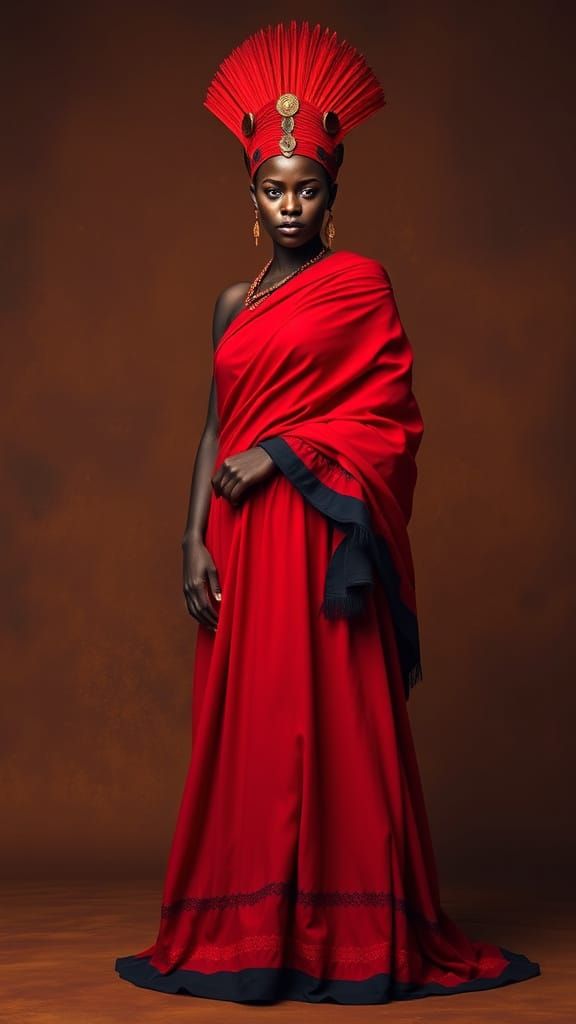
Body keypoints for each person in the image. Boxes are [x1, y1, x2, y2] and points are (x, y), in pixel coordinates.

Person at [115, 19, 541, 1004]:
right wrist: (189, 537)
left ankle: (344, 937)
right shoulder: (232, 302)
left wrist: (284, 452)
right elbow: (210, 428)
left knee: (332, 729)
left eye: (308, 187)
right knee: (253, 734)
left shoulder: (361, 287)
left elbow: (389, 419)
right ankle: (253, 930)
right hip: (238, 542)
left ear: (333, 193)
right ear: (252, 194)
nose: (291, 203)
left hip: (321, 536)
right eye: (275, 187)